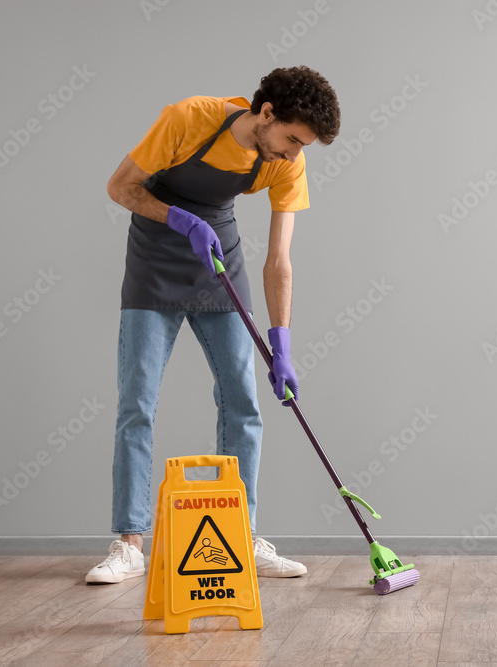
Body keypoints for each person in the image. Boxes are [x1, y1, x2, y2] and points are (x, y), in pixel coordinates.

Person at [85, 66, 340, 584]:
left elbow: (279, 261)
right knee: (137, 403)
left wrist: (282, 342)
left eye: (303, 146)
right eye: (291, 139)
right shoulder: (188, 119)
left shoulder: (287, 163)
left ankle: (240, 536)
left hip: (219, 262)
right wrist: (180, 219)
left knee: (243, 404)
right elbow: (121, 186)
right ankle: (129, 543)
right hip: (156, 262)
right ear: (265, 113)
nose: (294, 155)